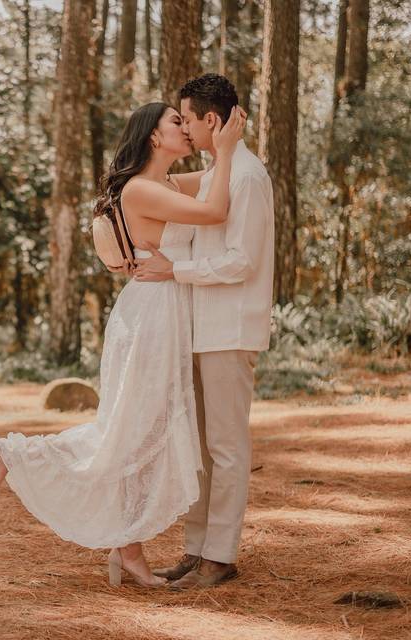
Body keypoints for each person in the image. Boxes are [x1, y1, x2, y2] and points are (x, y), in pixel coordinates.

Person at [0, 101, 247, 588]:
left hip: (162, 314)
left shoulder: (163, 184)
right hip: (153, 318)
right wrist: (224, 149)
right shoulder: (141, 189)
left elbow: (216, 177)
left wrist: (223, 147)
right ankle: (13, 455)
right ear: (154, 137)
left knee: (135, 434)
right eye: (175, 122)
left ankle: (129, 551)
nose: (184, 128)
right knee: (127, 434)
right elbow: (216, 208)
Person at [133, 74, 275, 590]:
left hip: (229, 328)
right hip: (195, 328)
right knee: (201, 447)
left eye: (187, 118)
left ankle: (221, 557)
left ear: (210, 120)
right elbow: (161, 191)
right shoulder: (221, 169)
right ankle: (196, 550)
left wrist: (175, 272)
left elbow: (242, 261)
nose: (185, 128)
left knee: (227, 446)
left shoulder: (246, 177)